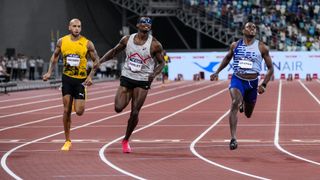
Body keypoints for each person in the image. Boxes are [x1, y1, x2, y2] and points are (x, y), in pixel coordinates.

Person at [90, 16, 165, 153]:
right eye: (143, 22)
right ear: (137, 25)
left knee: (135, 111)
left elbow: (162, 63)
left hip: (143, 79)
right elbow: (113, 52)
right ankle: (128, 97)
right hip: (127, 76)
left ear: (150, 27)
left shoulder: (155, 44)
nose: (146, 25)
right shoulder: (127, 39)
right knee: (118, 108)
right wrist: (99, 61)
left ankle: (125, 140)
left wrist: (154, 74)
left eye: (149, 23)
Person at [210, 22, 274, 150]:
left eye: (254, 27)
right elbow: (227, 58)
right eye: (249, 27)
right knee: (234, 102)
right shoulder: (235, 45)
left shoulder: (262, 47)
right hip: (237, 79)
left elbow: (271, 68)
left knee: (248, 114)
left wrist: (264, 85)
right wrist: (217, 72)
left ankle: (243, 103)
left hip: (253, 83)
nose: (252, 28)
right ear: (243, 30)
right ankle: (233, 138)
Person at [43, 18, 99, 151]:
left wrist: (90, 76)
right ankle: (67, 140)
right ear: (69, 27)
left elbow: (96, 61)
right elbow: (55, 56)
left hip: (80, 80)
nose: (76, 29)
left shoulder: (87, 43)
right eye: (74, 26)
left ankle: (80, 97)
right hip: (67, 79)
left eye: (79, 26)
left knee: (79, 111)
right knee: (66, 109)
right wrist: (49, 72)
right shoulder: (62, 41)